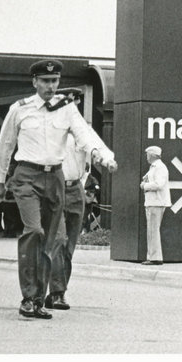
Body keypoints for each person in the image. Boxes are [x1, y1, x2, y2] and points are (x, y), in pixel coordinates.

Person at [0, 60, 117, 319]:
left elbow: (84, 135)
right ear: (35, 82)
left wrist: (103, 156)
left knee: (50, 240)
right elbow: (6, 145)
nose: (50, 86)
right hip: (27, 175)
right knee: (34, 231)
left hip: (55, 178)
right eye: (45, 81)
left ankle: (39, 299)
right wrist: (0, 180)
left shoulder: (67, 108)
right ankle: (28, 297)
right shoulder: (20, 109)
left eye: (54, 81)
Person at [46, 108, 117, 311]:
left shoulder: (82, 130)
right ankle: (57, 293)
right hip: (55, 186)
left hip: (76, 188)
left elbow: (96, 146)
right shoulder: (50, 128)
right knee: (59, 240)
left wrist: (107, 160)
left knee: (69, 246)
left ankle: (56, 291)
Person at [141, 145, 170, 265]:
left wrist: (145, 186)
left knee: (153, 230)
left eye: (147, 154)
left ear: (153, 155)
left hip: (156, 202)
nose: (146, 157)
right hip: (152, 201)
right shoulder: (154, 167)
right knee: (152, 230)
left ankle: (155, 258)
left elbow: (159, 184)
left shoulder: (159, 167)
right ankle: (153, 256)